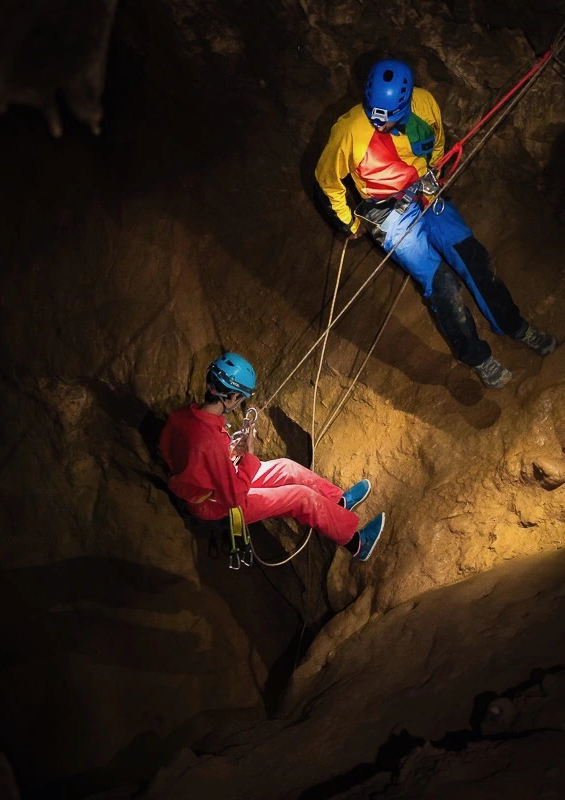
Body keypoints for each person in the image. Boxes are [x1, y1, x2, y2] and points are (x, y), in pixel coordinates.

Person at [315, 58, 557, 389]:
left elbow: (438, 144)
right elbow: (327, 179)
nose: (379, 124)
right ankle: (477, 356)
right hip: (390, 214)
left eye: (387, 118)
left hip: (426, 195)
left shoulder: (424, 103)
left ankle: (514, 325)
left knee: (474, 257)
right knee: (442, 284)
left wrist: (434, 177)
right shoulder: (348, 130)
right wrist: (349, 222)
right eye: (375, 115)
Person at [159, 352, 386, 561]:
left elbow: (171, 450)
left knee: (286, 468)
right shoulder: (210, 441)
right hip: (215, 505)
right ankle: (356, 544)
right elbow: (234, 497)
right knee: (300, 497)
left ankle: (339, 502)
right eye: (241, 399)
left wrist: (221, 459)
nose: (240, 403)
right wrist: (248, 456)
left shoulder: (182, 415)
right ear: (232, 396)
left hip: (215, 483)